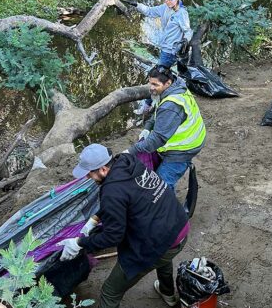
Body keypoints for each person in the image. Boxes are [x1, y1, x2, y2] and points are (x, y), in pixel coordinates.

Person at [57, 143, 190, 308]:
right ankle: (168, 294)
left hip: (164, 241)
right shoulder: (128, 161)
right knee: (163, 257)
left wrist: (78, 243)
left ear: (103, 169)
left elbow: (113, 236)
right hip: (178, 224)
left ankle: (166, 291)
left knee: (109, 292)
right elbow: (128, 198)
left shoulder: (111, 191)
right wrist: (96, 218)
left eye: (90, 173)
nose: (87, 178)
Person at [127, 65, 205, 190]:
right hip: (192, 138)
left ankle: (167, 206)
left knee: (161, 186)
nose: (151, 88)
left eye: (155, 85)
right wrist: (147, 127)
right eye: (150, 83)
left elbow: (158, 139)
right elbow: (158, 112)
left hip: (183, 149)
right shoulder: (176, 87)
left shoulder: (171, 105)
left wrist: (131, 151)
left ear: (168, 83)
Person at [123, 0, 193, 69]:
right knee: (164, 72)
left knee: (159, 72)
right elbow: (149, 11)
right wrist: (137, 5)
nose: (167, 1)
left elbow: (188, 31)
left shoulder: (182, 13)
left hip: (172, 51)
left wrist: (185, 41)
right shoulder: (164, 7)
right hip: (165, 48)